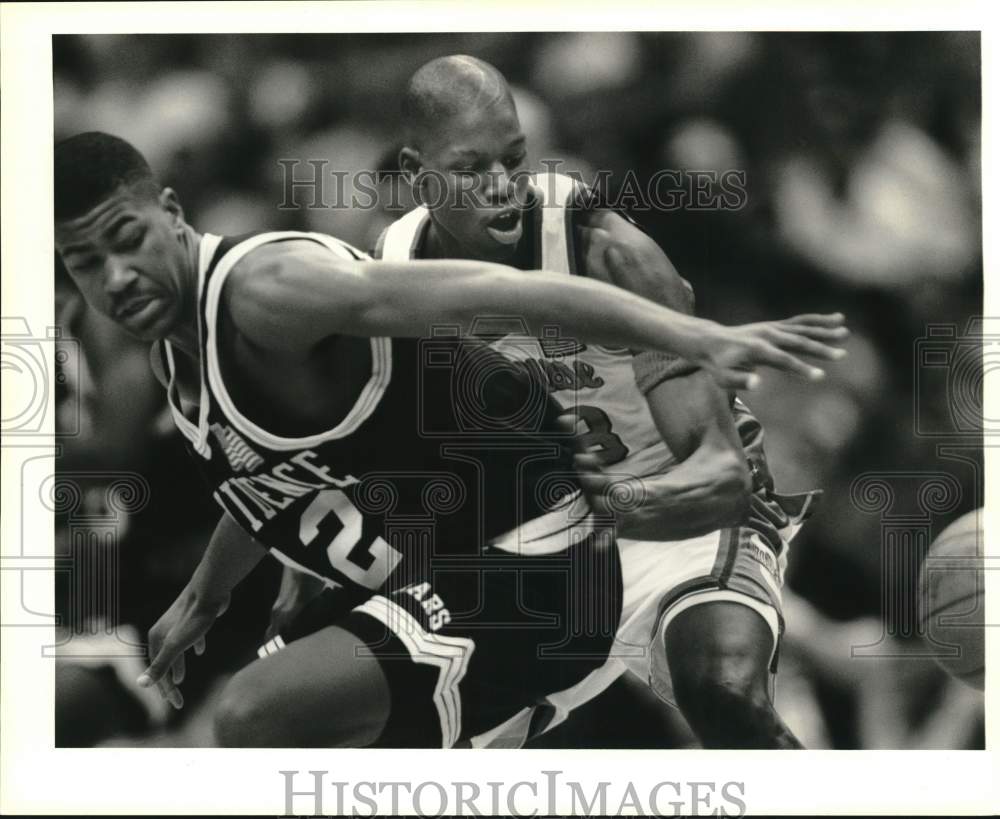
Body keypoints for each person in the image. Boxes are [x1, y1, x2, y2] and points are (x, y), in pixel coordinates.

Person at [54, 131, 845, 748]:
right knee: (279, 751)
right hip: (453, 567)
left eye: (127, 239)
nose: (116, 275)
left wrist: (693, 334)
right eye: (87, 262)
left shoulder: (269, 292)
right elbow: (271, 474)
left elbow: (505, 290)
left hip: (537, 559)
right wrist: (205, 593)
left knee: (257, 716)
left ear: (171, 210)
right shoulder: (174, 344)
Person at [369, 55, 827, 748]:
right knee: (399, 739)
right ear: (416, 173)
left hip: (679, 520)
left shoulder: (610, 253)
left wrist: (597, 506)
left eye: (514, 160)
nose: (502, 188)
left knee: (721, 691)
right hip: (541, 544)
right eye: (471, 169)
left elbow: (722, 476)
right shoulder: (393, 270)